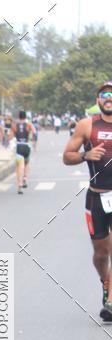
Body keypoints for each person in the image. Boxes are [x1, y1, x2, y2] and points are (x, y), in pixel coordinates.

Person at [63, 80, 112, 321]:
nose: (109, 97)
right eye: (104, 94)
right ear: (98, 100)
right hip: (96, 197)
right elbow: (67, 156)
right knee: (101, 253)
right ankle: (106, 283)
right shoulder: (86, 125)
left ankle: (111, 300)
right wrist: (86, 155)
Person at [9, 110, 35, 194]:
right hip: (26, 146)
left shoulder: (14, 125)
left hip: (19, 146)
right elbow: (34, 132)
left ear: (19, 116)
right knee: (26, 163)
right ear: (25, 117)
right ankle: (25, 178)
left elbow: (10, 137)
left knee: (19, 167)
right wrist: (32, 140)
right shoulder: (29, 124)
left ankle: (20, 185)